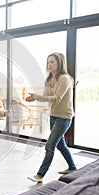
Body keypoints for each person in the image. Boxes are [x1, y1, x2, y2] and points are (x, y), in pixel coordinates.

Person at [26, 52, 77, 182]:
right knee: (60, 145)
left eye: (52, 62)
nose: (49, 64)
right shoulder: (48, 79)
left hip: (64, 117)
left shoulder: (64, 79)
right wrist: (34, 97)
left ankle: (40, 174)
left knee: (50, 145)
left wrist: (38, 96)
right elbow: (45, 98)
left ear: (59, 63)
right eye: (48, 62)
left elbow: (56, 98)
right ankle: (72, 168)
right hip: (53, 116)